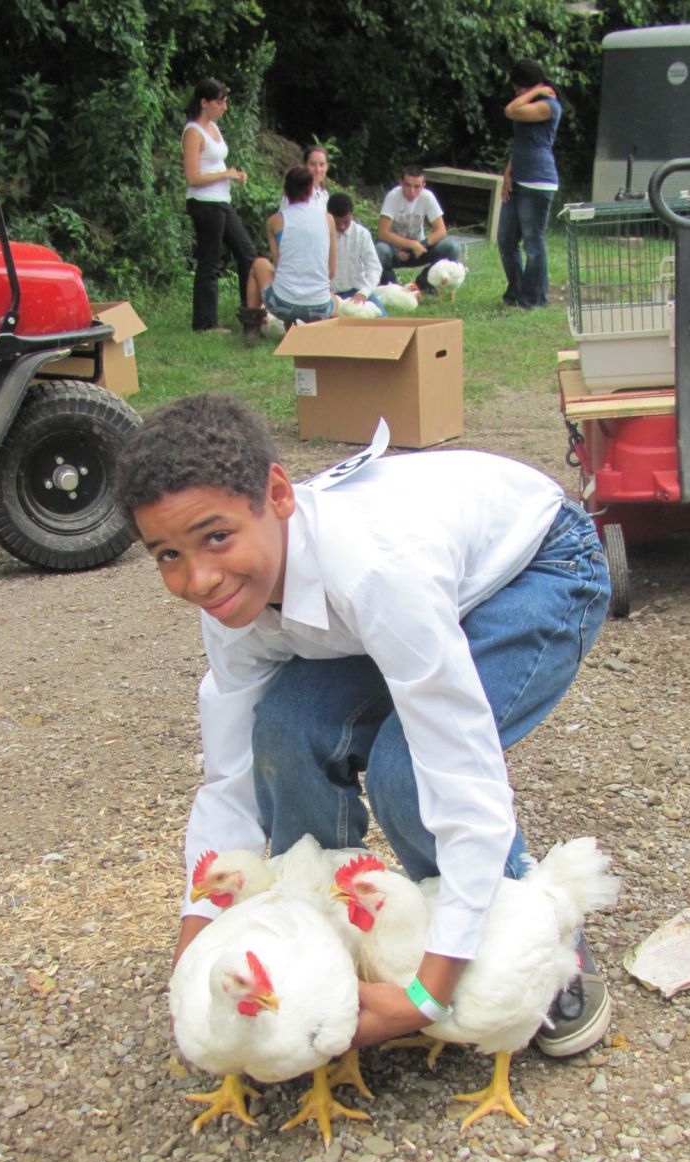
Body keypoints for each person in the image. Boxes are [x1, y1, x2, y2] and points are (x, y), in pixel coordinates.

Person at [114, 393, 613, 1059]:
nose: (198, 578)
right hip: (418, 598)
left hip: (539, 567)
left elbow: (458, 770)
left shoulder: (377, 570)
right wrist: (196, 952)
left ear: (278, 494)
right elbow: (231, 778)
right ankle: (328, 948)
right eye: (166, 555)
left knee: (407, 771)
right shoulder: (231, 593)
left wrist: (428, 998)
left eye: (215, 537)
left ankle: (535, 961)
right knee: (284, 731)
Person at [182, 78, 257, 333]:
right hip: (204, 204)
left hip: (222, 201)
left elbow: (214, 164)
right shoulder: (193, 131)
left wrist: (234, 174)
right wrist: (224, 176)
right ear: (204, 103)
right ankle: (205, 323)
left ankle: (251, 310)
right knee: (210, 261)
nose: (224, 107)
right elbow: (192, 176)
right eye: (220, 101)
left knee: (247, 252)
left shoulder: (213, 127)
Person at [240, 166, 336, 342]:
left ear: (285, 192)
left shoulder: (275, 222)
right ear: (311, 191)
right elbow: (331, 271)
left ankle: (251, 329)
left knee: (259, 264)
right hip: (320, 307)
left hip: (284, 305)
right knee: (332, 297)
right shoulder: (328, 219)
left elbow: (279, 265)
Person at [498, 58, 561, 310]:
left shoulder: (549, 105)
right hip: (518, 177)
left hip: (538, 180)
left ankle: (534, 297)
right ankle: (516, 292)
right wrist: (508, 173)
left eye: (518, 88)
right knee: (505, 240)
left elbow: (510, 111)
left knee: (533, 243)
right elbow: (521, 143)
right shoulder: (530, 102)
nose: (516, 93)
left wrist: (536, 90)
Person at [375, 165, 462, 291]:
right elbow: (382, 233)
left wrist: (421, 245)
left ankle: (423, 283)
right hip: (394, 250)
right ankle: (391, 286)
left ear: (423, 186)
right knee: (379, 250)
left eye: (416, 187)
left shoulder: (427, 197)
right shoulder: (393, 196)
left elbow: (441, 230)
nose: (412, 191)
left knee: (452, 247)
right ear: (401, 183)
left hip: (419, 249)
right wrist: (410, 245)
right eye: (407, 185)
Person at [327, 192, 385, 313]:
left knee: (382, 319)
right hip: (330, 293)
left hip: (357, 291)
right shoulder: (322, 235)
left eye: (346, 222)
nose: (342, 227)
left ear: (352, 215)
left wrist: (363, 293)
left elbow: (374, 268)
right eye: (337, 223)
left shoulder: (362, 235)